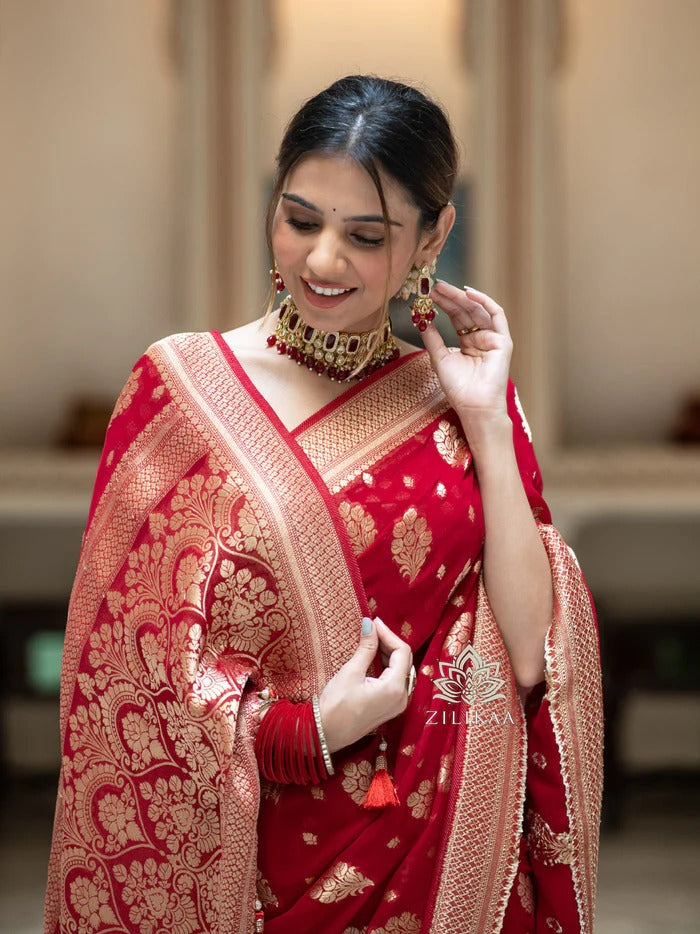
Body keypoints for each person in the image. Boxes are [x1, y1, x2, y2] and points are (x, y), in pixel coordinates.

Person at [44, 75, 603, 933]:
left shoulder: (465, 408)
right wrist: (310, 729)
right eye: (300, 220)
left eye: (365, 235)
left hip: (441, 859)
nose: (323, 261)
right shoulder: (180, 393)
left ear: (433, 237)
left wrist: (487, 421)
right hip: (252, 868)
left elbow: (533, 659)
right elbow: (129, 690)